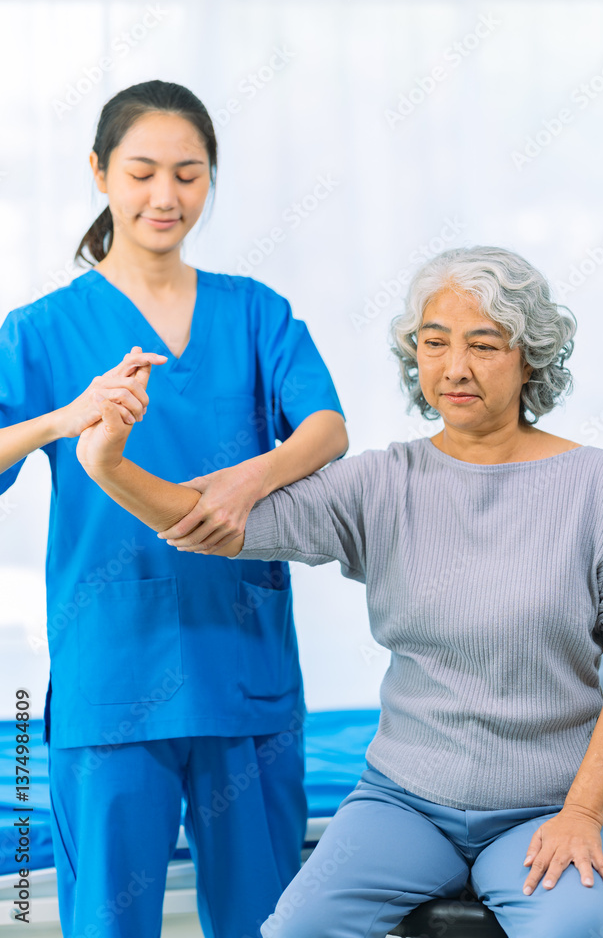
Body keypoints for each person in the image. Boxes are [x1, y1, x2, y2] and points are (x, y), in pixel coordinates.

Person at [75, 245, 603, 938]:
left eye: (483, 344)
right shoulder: (382, 484)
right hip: (404, 805)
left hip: (548, 806)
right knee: (294, 930)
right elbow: (210, 524)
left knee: (566, 932)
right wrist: (107, 462)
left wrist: (582, 812)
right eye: (434, 342)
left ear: (528, 356)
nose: (454, 368)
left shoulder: (597, 485)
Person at [0, 80, 348, 938]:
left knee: (262, 922)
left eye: (189, 175)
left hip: (243, 671)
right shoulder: (40, 331)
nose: (166, 197)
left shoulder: (254, 311)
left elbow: (327, 428)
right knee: (107, 925)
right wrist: (60, 417)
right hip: (112, 675)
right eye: (143, 172)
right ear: (99, 173)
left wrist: (248, 478)